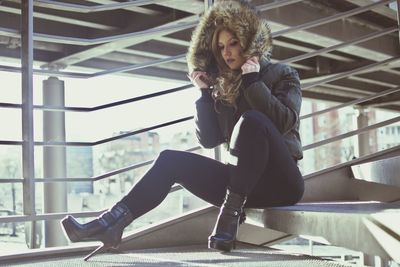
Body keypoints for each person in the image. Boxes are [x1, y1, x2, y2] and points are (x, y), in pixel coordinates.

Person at [60, 0, 304, 261]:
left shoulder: (282, 74)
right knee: (170, 160)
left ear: (249, 41)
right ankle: (110, 223)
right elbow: (209, 140)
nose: (227, 53)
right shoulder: (223, 86)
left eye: (233, 43)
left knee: (253, 120)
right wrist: (203, 95)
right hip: (241, 185)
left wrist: (253, 81)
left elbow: (284, 121)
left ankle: (229, 216)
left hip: (280, 182)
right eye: (221, 47)